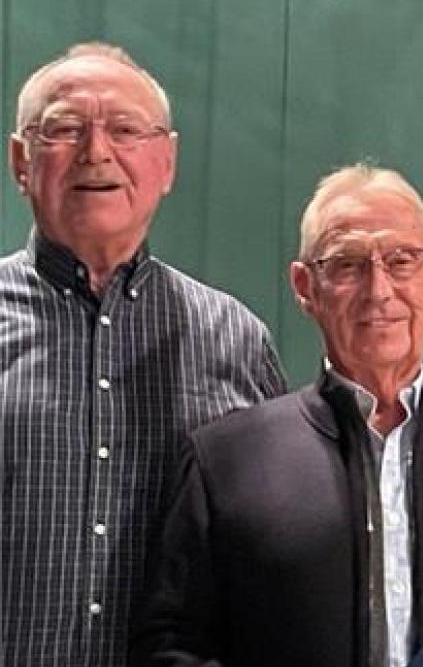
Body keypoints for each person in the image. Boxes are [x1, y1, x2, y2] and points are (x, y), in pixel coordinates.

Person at [131, 164, 423, 667]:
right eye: (347, 264)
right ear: (305, 288)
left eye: (402, 260)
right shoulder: (225, 462)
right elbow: (170, 649)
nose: (379, 290)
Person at [0, 42, 286, 665]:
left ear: (167, 162)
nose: (96, 151)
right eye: (65, 128)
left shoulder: (235, 338)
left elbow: (273, 548)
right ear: (21, 161)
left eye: (126, 129)